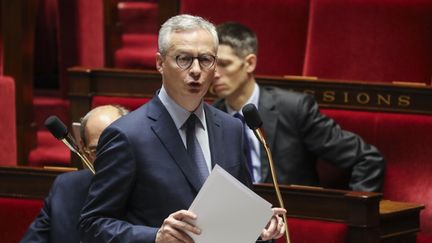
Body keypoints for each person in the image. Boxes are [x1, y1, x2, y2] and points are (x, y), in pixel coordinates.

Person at [79, 14, 285, 243]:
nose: (196, 70)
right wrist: (155, 237)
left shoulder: (231, 128)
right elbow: (92, 225)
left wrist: (258, 229)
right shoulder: (127, 135)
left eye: (206, 59)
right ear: (160, 62)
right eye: (184, 59)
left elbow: (236, 214)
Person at [212, 22, 385, 192]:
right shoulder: (210, 115)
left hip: (293, 214)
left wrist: (356, 212)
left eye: (224, 64)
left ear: (249, 63)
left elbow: (368, 159)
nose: (215, 74)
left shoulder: (294, 108)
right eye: (211, 64)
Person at [21, 105, 129, 243]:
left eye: (113, 146)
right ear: (83, 149)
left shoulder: (149, 188)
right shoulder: (66, 188)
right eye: (96, 150)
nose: (106, 158)